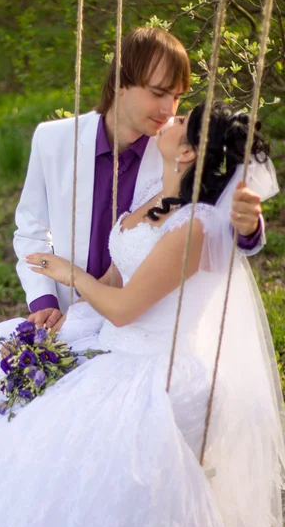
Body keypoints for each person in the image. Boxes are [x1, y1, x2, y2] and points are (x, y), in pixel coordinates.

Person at [0, 101, 283, 527]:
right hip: (108, 337)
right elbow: (119, 273)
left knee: (55, 458)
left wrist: (68, 274)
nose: (170, 115)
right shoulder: (159, 195)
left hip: (150, 362)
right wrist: (68, 313)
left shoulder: (197, 225)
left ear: (187, 151)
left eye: (181, 118)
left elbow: (124, 307)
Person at [14, 26, 266, 332]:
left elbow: (215, 219)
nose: (169, 110)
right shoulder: (51, 140)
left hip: (141, 323)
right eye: (158, 93)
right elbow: (31, 230)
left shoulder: (176, 151)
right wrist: (45, 303)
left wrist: (249, 227)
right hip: (67, 312)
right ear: (121, 84)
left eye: (176, 96)